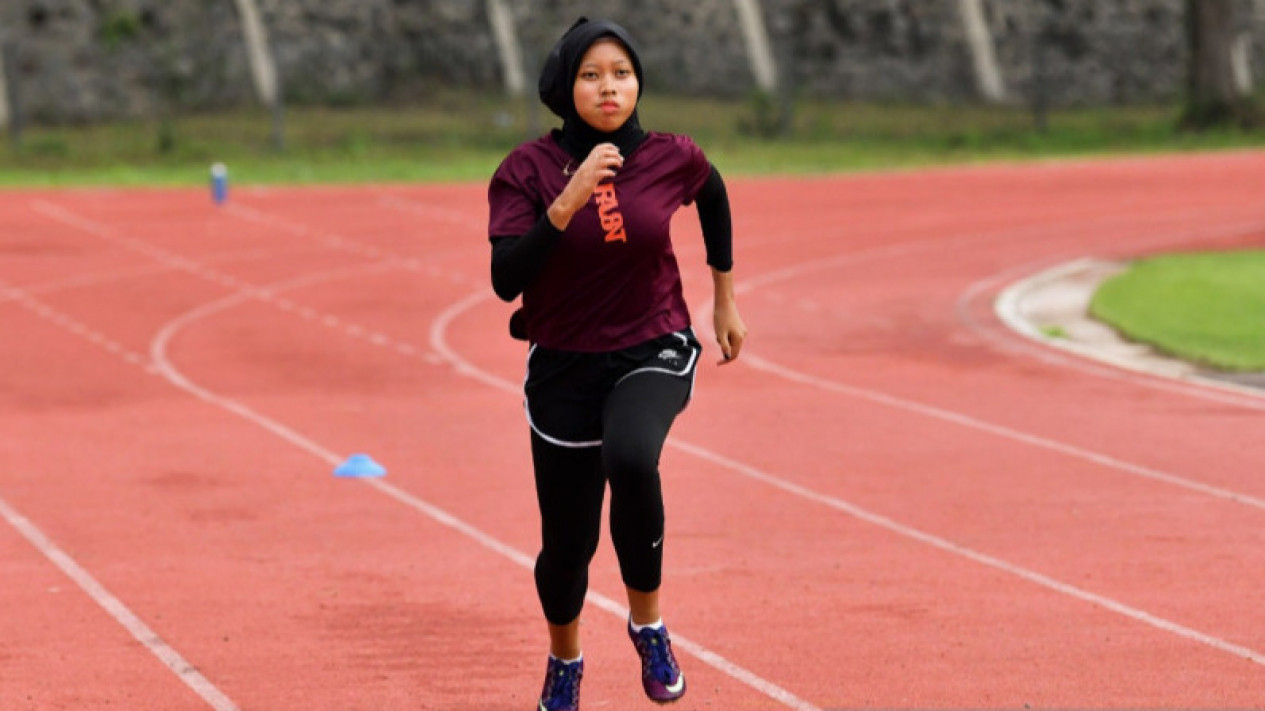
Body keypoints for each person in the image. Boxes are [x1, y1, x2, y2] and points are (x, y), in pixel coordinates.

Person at [487, 16, 746, 710]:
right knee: (566, 547)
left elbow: (713, 194)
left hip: (651, 344)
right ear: (565, 86)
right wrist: (567, 204)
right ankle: (564, 661)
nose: (609, 87)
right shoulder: (527, 172)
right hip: (564, 366)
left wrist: (723, 297)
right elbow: (505, 278)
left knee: (632, 456)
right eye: (592, 74)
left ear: (638, 84)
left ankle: (648, 622)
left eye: (622, 73)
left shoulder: (670, 156)